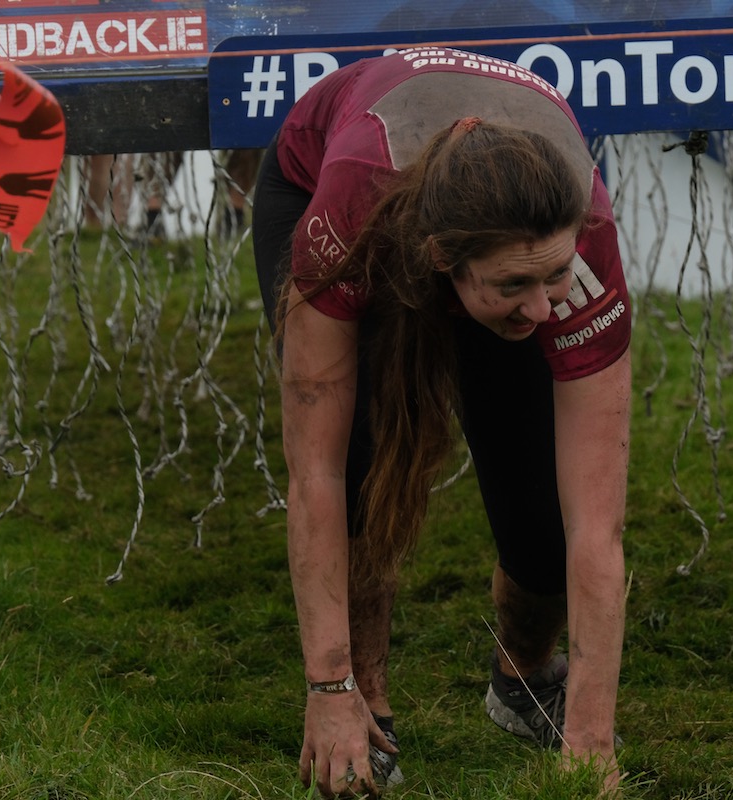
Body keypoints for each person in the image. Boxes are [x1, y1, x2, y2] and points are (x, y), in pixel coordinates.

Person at [252, 47, 631, 798]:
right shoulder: (354, 209)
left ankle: (524, 680)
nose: (543, 304)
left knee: (545, 519)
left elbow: (600, 529)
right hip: (330, 186)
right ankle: (363, 701)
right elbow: (315, 472)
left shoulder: (580, 232)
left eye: (553, 275)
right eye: (515, 285)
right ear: (441, 265)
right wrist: (327, 689)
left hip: (481, 230)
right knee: (361, 453)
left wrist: (592, 741)